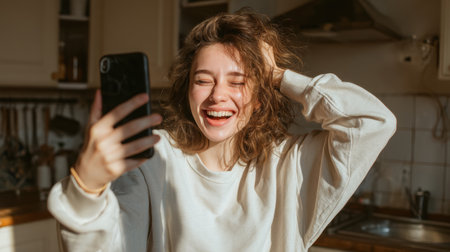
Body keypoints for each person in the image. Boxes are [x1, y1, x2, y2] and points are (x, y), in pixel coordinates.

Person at [47, 9, 396, 252]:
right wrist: (87, 188)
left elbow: (372, 123)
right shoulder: (153, 157)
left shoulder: (287, 165)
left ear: (260, 97)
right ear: (187, 89)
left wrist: (276, 75)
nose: (218, 96)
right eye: (203, 80)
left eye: (238, 82)